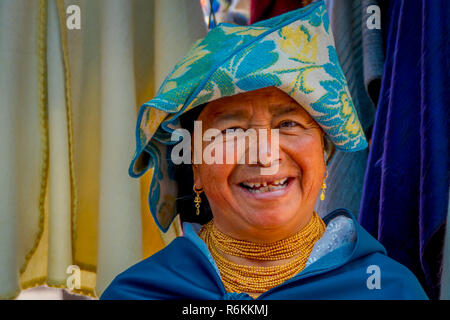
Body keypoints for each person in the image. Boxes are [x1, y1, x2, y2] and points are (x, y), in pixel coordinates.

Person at [101, 1, 427, 300]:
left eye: (288, 124)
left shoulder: (387, 290)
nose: (265, 155)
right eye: (232, 130)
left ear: (324, 154)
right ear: (195, 167)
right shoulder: (140, 293)